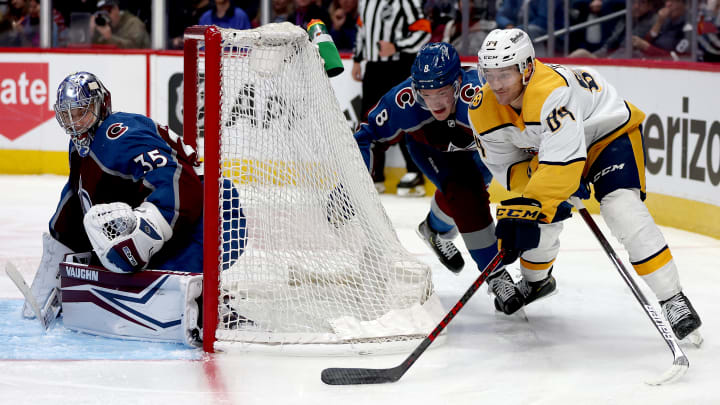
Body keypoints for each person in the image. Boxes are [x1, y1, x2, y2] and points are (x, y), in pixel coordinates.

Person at [468, 28, 702, 340]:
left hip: (607, 134)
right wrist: (531, 207)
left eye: (505, 75)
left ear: (525, 68)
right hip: (555, 154)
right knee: (538, 218)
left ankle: (673, 298)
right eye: (489, 74)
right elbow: (509, 169)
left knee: (621, 207)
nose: (495, 85)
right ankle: (537, 282)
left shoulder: (551, 91)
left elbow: (563, 168)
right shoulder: (482, 108)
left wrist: (546, 191)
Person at [23, 71, 205, 320]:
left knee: (161, 290)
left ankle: (206, 302)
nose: (74, 123)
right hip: (183, 218)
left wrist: (149, 229)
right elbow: (75, 199)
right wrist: (58, 253)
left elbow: (179, 181)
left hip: (213, 215)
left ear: (102, 105)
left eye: (81, 112)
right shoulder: (81, 145)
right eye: (67, 114)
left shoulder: (120, 135)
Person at [355, 42, 520, 312]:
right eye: (426, 94)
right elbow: (366, 137)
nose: (435, 103)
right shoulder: (403, 101)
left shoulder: (478, 95)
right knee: (466, 194)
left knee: (467, 190)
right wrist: (350, 187)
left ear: (457, 82)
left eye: (442, 92)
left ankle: (433, 230)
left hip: (480, 149)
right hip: (431, 149)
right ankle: (496, 274)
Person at [353, 0, 431, 196]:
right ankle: (374, 173)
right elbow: (361, 30)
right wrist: (357, 59)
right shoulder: (366, 2)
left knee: (405, 116)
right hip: (372, 67)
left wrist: (396, 46)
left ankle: (414, 172)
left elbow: (423, 31)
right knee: (370, 118)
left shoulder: (406, 2)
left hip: (398, 66)